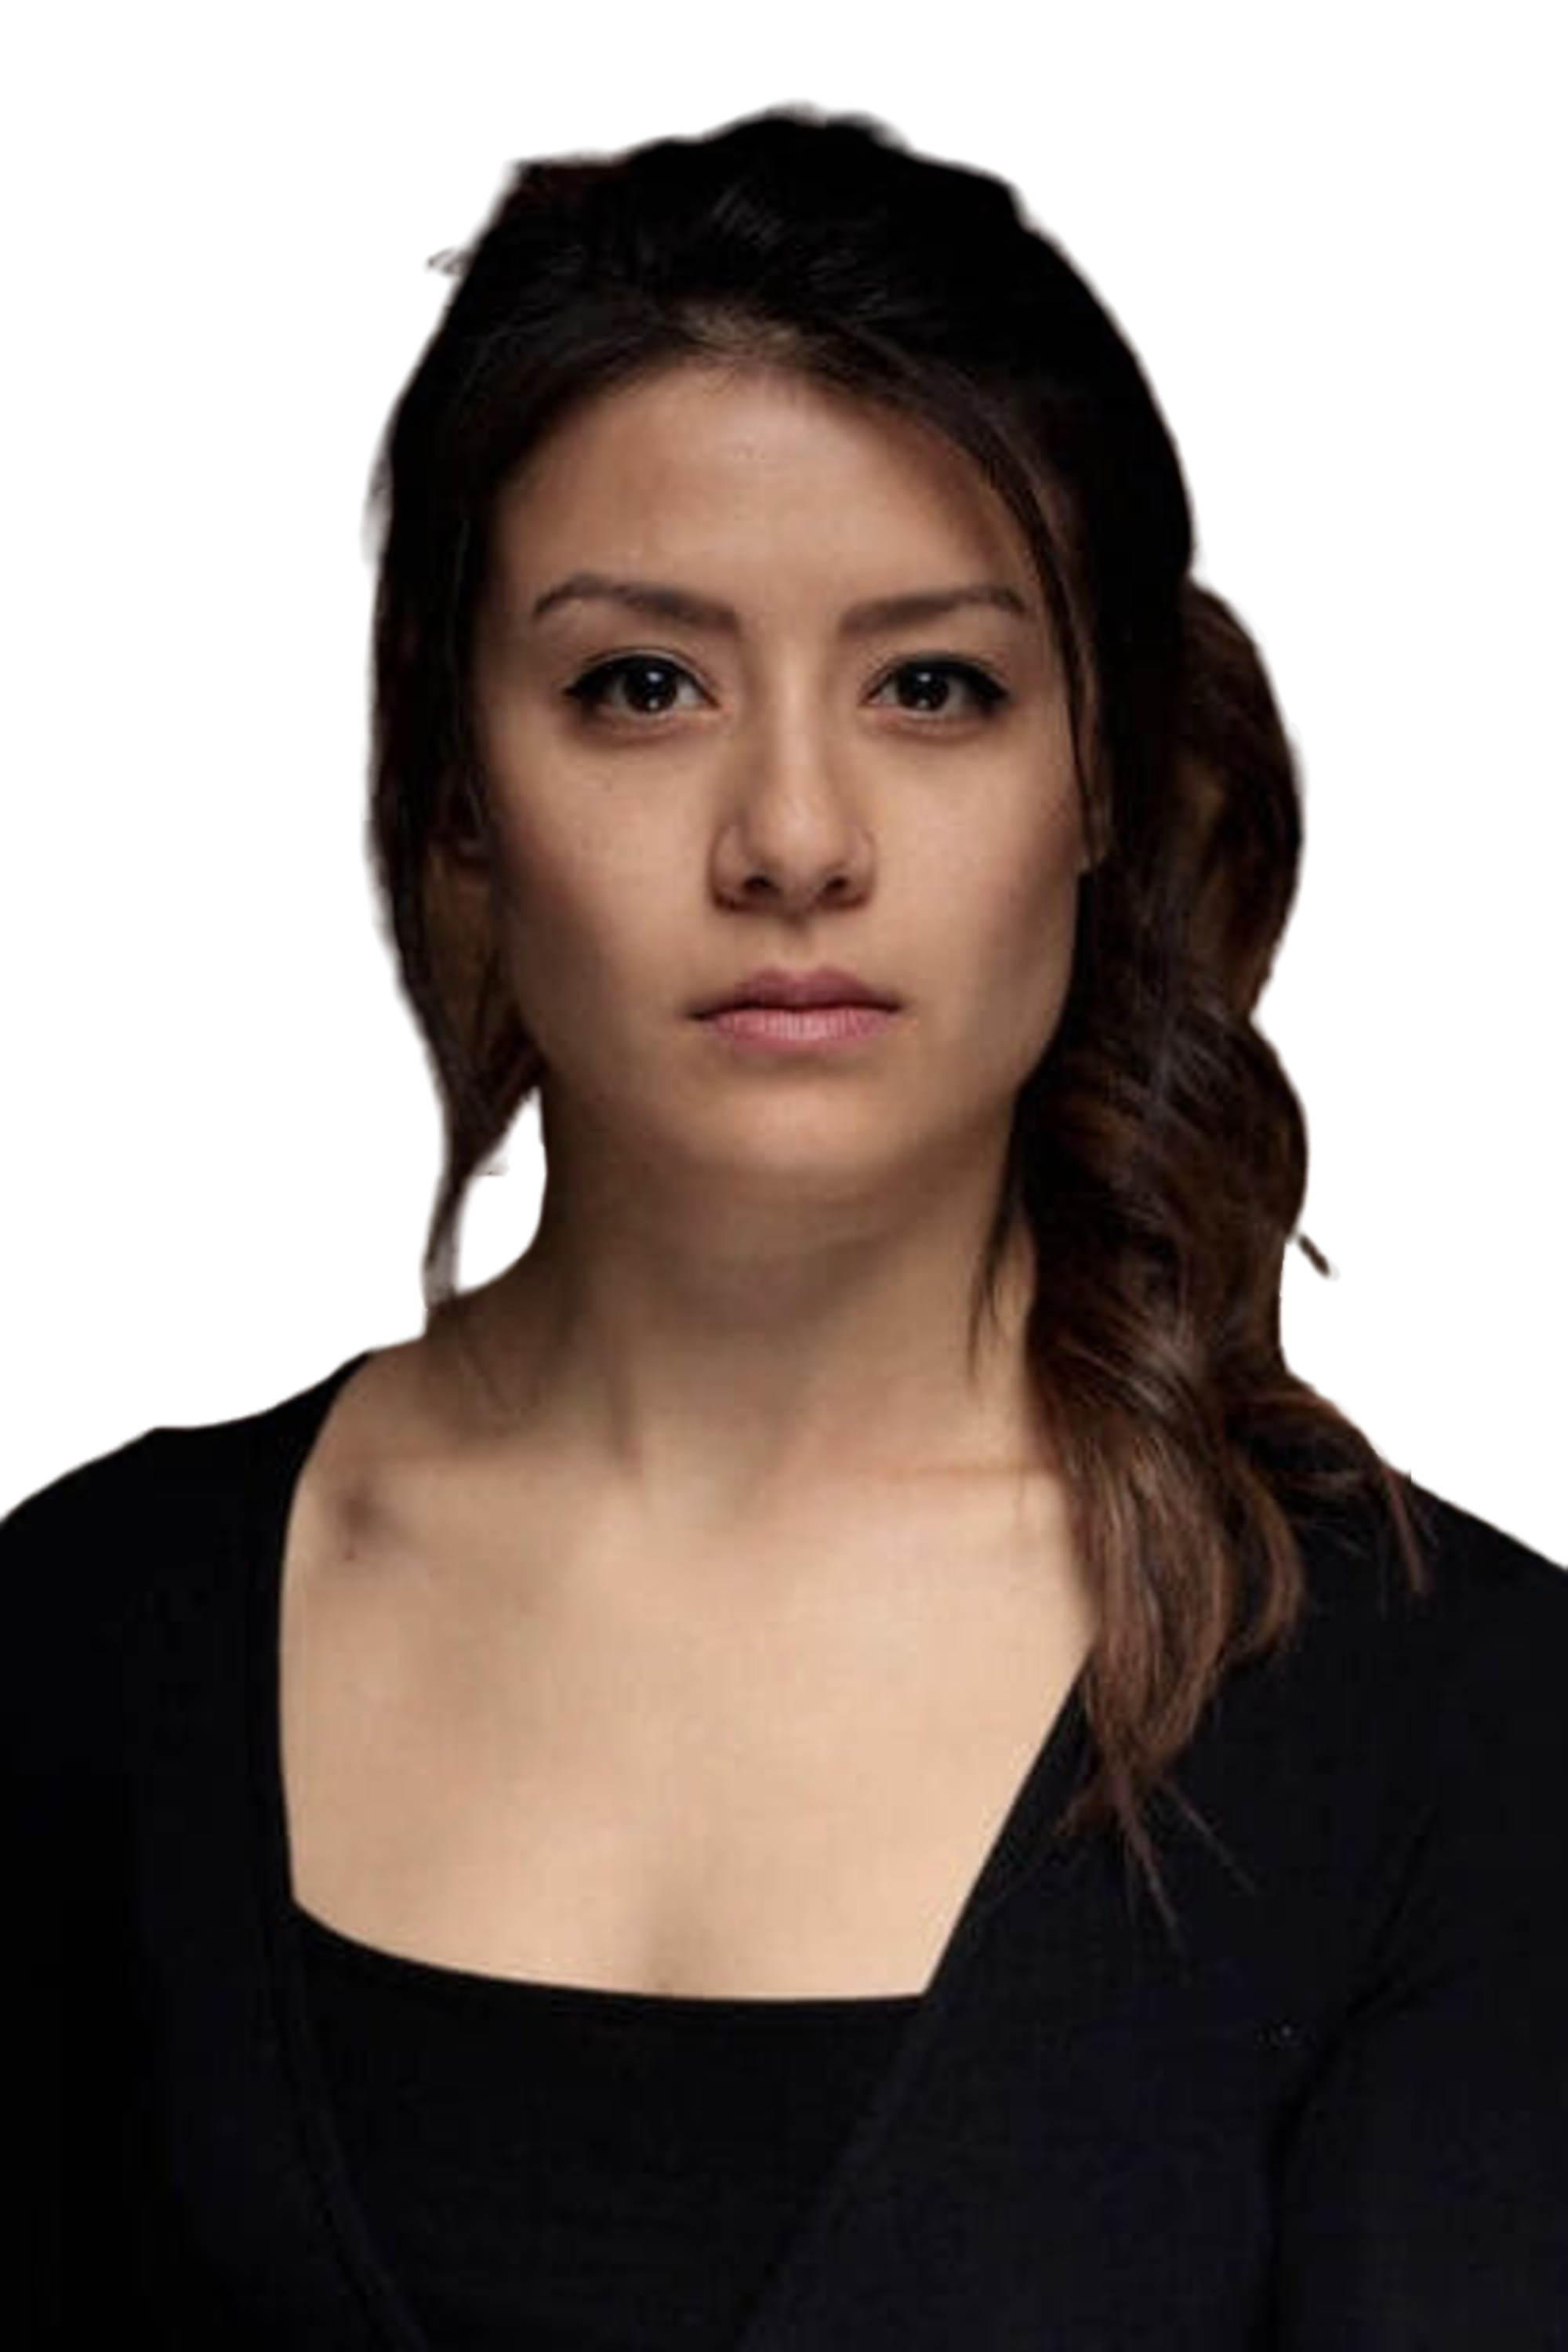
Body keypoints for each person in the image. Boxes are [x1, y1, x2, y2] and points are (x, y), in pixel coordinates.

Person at [8, 97, 1566, 2350]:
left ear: (1103, 774)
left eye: (935, 684)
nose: (795, 837)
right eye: (642, 685)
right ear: (456, 782)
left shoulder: (1452, 1720)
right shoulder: (84, 1637)